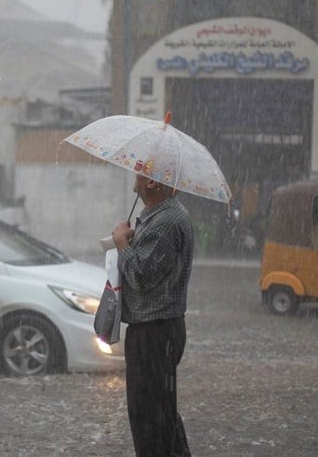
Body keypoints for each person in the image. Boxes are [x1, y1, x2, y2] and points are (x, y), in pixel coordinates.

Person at [111, 173, 194, 456]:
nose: (134, 171)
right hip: (155, 329)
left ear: (152, 183)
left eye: (140, 169)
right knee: (160, 413)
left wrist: (122, 243)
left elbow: (141, 276)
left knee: (150, 418)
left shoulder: (167, 222)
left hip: (155, 332)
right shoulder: (158, 216)